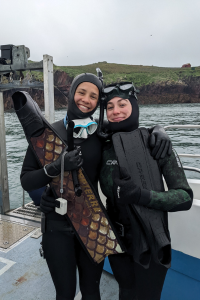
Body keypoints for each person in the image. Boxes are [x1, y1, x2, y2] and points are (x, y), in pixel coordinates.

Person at [20, 73, 173, 300]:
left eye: (94, 96)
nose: (86, 99)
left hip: (92, 223)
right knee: (65, 293)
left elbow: (130, 127)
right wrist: (51, 177)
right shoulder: (47, 133)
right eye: (82, 92)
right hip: (56, 227)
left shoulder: (101, 133)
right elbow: (26, 179)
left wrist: (159, 129)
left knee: (92, 291)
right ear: (71, 94)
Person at [99, 82, 193, 300]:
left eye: (122, 104)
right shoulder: (103, 144)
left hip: (151, 240)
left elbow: (185, 197)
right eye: (110, 107)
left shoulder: (155, 143)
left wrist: (141, 196)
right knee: (125, 292)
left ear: (134, 105)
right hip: (116, 242)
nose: (116, 111)